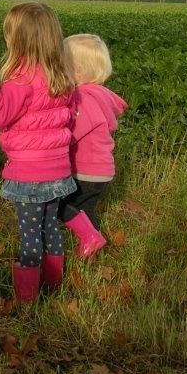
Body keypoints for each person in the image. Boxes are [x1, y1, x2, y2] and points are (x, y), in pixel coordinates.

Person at [0, 2, 76, 304]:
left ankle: (28, 300)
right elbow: (67, 118)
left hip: (29, 174)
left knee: (30, 235)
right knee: (51, 227)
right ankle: (54, 286)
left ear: (15, 40)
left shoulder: (20, 81)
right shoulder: (62, 78)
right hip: (58, 170)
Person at [58, 34, 128, 258]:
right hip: (100, 169)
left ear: (77, 71)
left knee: (56, 204)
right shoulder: (101, 95)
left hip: (84, 168)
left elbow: (74, 131)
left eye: (62, 65)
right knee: (86, 210)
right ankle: (91, 245)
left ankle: (90, 239)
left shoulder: (83, 98)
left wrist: (53, 139)